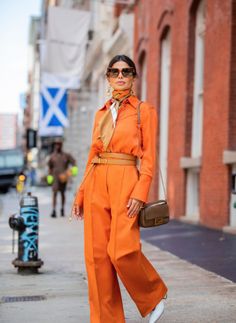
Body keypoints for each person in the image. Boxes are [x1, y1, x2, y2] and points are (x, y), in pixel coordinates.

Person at [72, 55, 168, 323]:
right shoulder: (100, 113)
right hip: (96, 182)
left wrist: (140, 192)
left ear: (134, 76)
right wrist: (80, 193)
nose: (120, 75)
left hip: (126, 179)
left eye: (126, 71)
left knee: (122, 250)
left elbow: (148, 157)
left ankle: (153, 295)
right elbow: (92, 154)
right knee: (97, 258)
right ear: (108, 77)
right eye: (114, 72)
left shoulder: (143, 110)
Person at [48, 138, 76, 218]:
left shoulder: (66, 155)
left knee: (63, 193)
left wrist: (70, 173)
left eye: (59, 144)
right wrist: (49, 177)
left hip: (63, 177)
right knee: (54, 193)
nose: (57, 145)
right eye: (56, 144)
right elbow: (50, 167)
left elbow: (74, 162)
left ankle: (62, 209)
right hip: (55, 177)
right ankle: (53, 210)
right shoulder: (52, 156)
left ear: (61, 145)